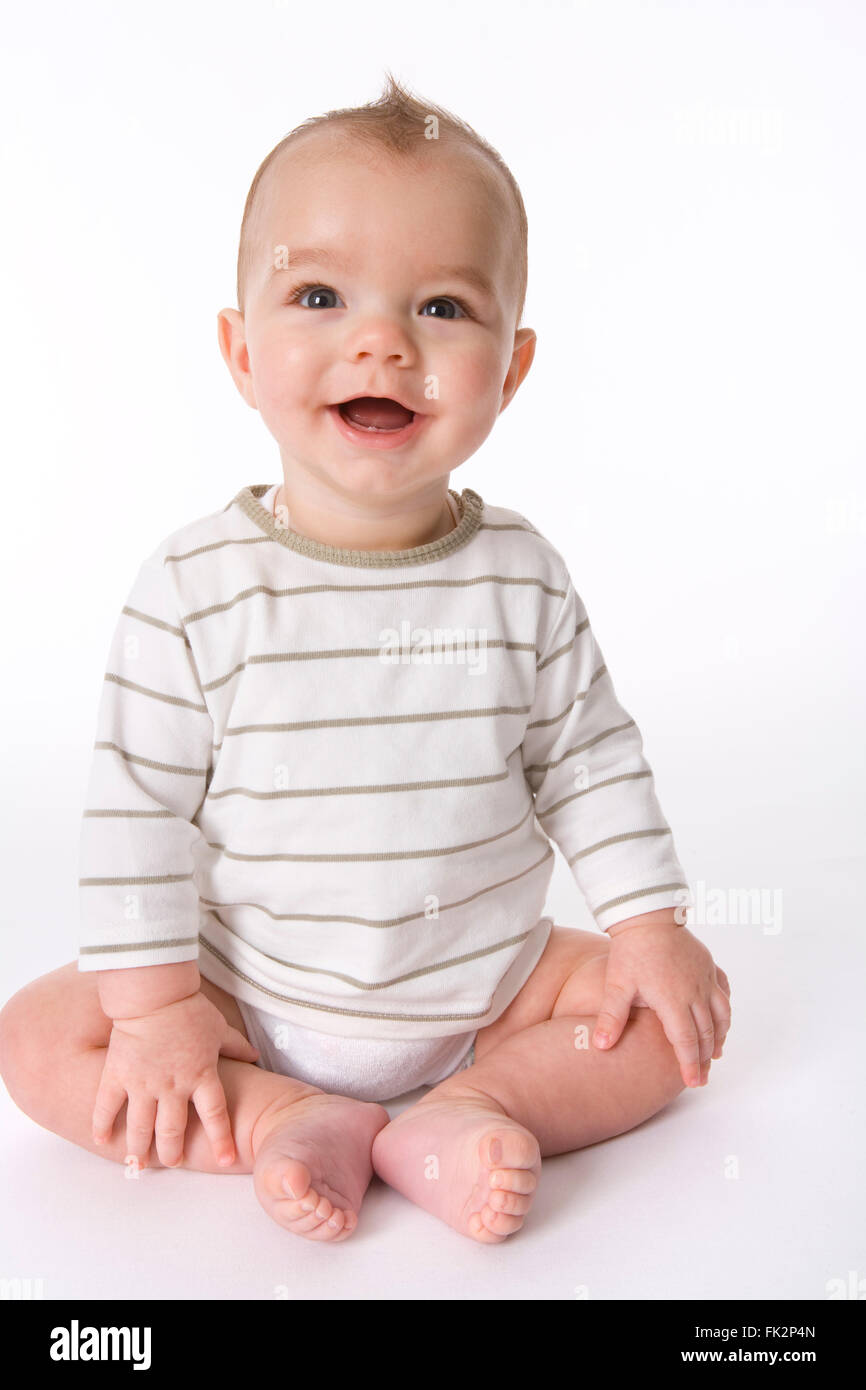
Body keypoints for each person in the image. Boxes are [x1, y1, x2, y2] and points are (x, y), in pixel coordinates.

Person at [0, 73, 731, 1245]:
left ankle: (471, 1107)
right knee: (39, 1039)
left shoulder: (520, 575)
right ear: (241, 351)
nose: (381, 340)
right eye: (319, 294)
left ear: (511, 365)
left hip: (488, 986)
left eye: (442, 307)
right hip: (245, 993)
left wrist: (645, 922)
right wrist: (157, 1009)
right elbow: (134, 809)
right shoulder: (196, 588)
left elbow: (586, 757)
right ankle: (284, 1110)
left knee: (657, 1023)